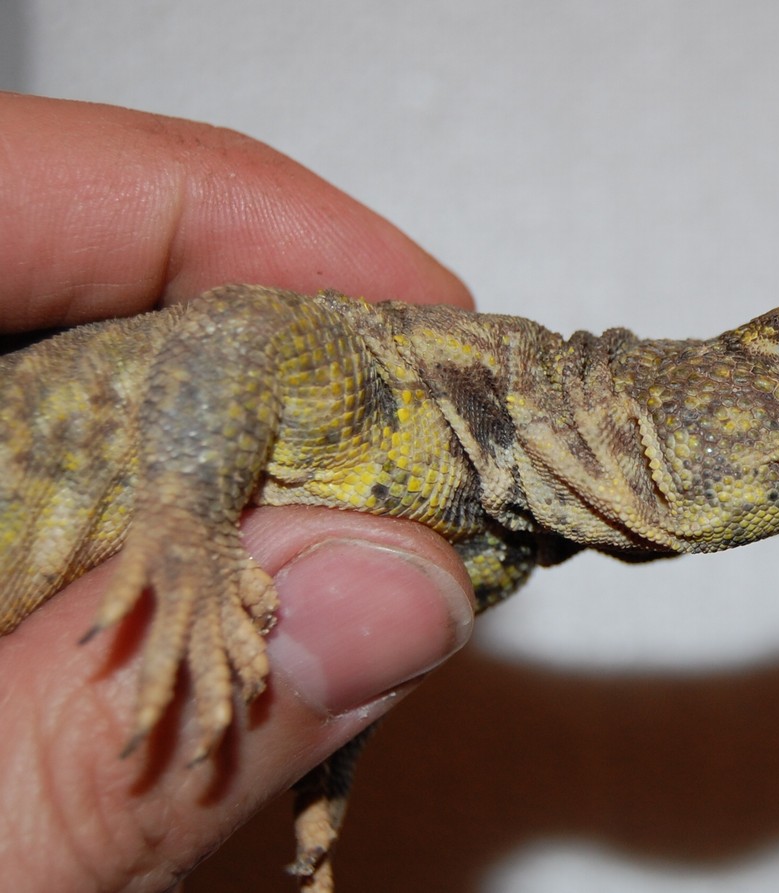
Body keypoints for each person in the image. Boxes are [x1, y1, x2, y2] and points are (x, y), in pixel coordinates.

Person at [0, 91, 477, 891]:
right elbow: (242, 329)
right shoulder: (391, 396)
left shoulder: (488, 514)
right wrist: (188, 522)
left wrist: (329, 750)